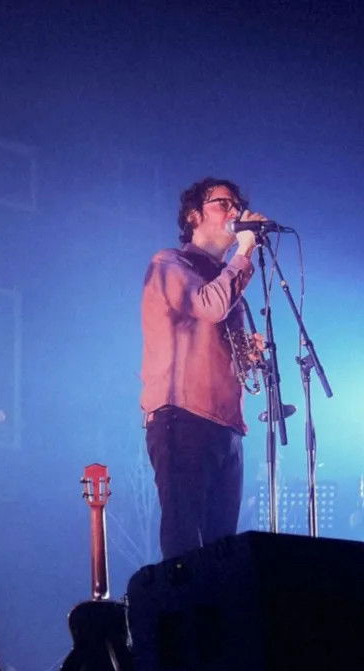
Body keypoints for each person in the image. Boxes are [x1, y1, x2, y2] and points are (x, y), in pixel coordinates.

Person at [140, 178, 268, 560]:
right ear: (193, 215)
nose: (236, 212)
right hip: (182, 417)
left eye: (238, 204)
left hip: (227, 424)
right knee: (185, 546)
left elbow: (223, 348)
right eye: (224, 204)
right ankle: (180, 619)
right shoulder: (169, 263)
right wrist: (243, 253)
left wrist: (249, 356)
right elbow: (208, 307)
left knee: (220, 550)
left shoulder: (226, 279)